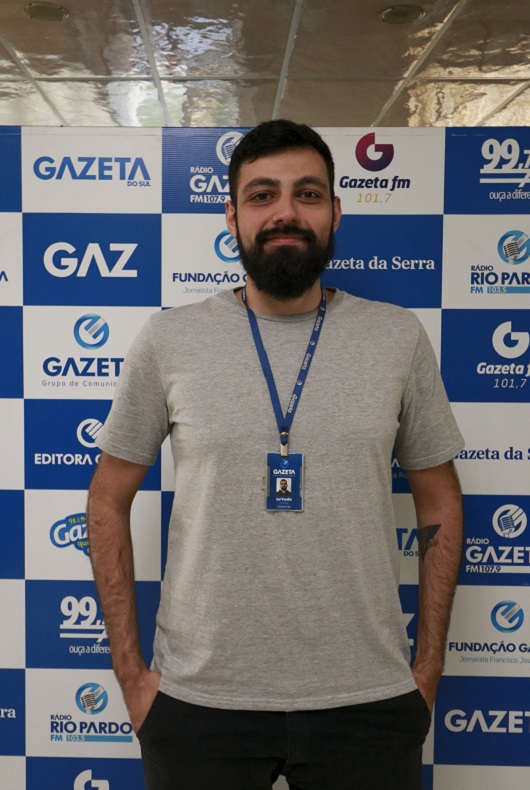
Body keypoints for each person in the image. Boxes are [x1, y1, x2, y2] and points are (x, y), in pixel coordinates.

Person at [87, 120, 464, 790]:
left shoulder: (397, 337)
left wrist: (427, 667)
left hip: (369, 700)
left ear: (335, 212)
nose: (285, 212)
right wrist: (131, 675)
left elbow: (439, 499)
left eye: (307, 194)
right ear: (232, 216)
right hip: (200, 702)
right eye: (262, 195)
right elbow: (107, 499)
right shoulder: (170, 340)